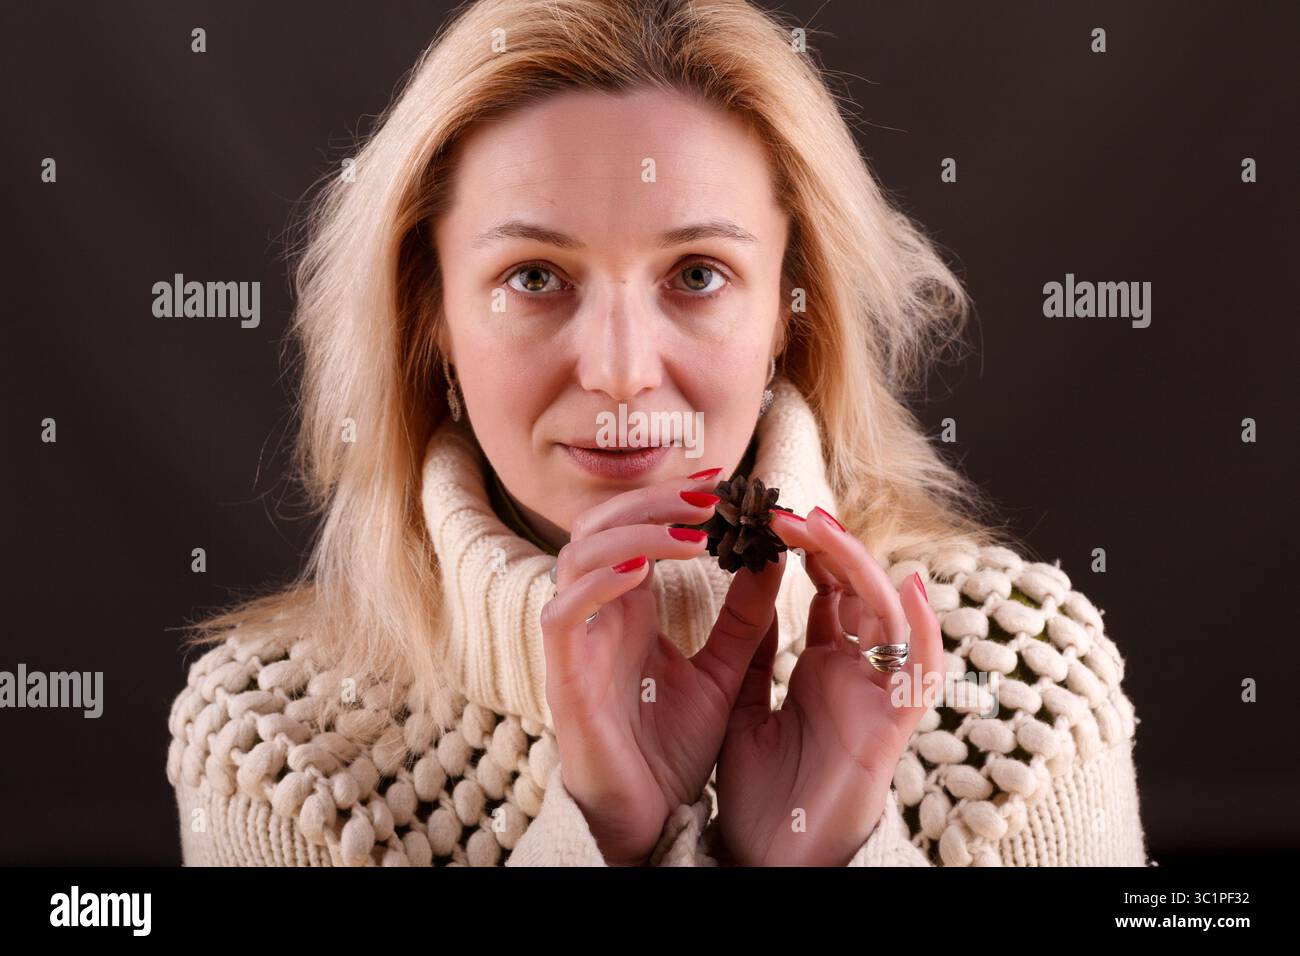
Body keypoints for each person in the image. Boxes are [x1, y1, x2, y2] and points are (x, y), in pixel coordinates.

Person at [166, 0, 1148, 866]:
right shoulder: (272, 743)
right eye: (536, 277)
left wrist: (834, 852)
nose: (623, 369)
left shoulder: (1023, 692)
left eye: (695, 275)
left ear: (787, 314)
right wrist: (595, 830)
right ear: (431, 319)